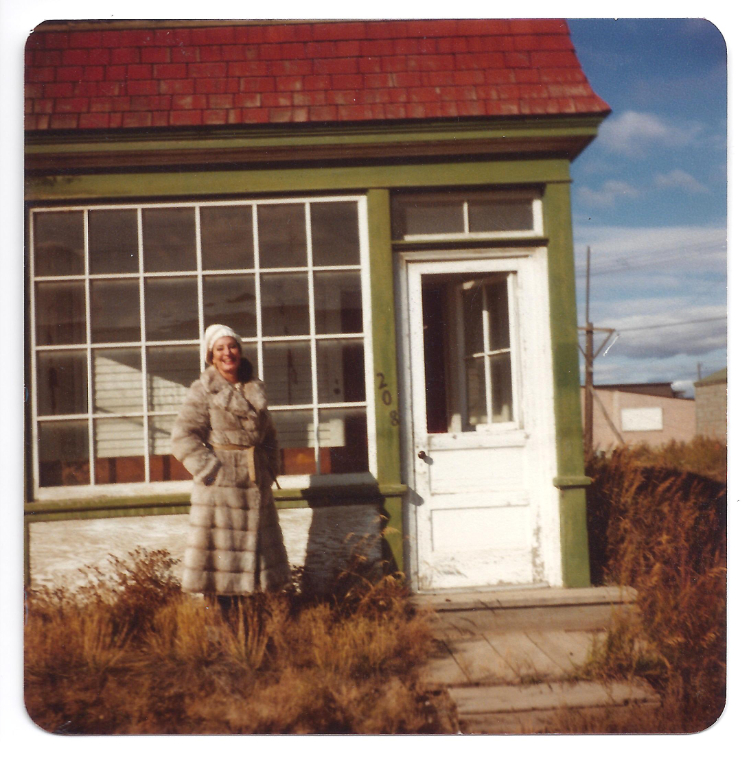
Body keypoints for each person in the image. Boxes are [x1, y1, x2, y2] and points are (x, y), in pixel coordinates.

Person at [171, 324, 291, 605]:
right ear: (211, 356)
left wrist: (269, 468)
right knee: (222, 569)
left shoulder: (254, 388)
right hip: (220, 492)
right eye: (220, 348)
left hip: (254, 485)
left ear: (240, 350)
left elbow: (269, 435)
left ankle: (252, 638)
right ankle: (223, 639)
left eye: (232, 346)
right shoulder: (203, 390)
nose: (228, 353)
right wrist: (211, 471)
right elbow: (182, 436)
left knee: (255, 567)